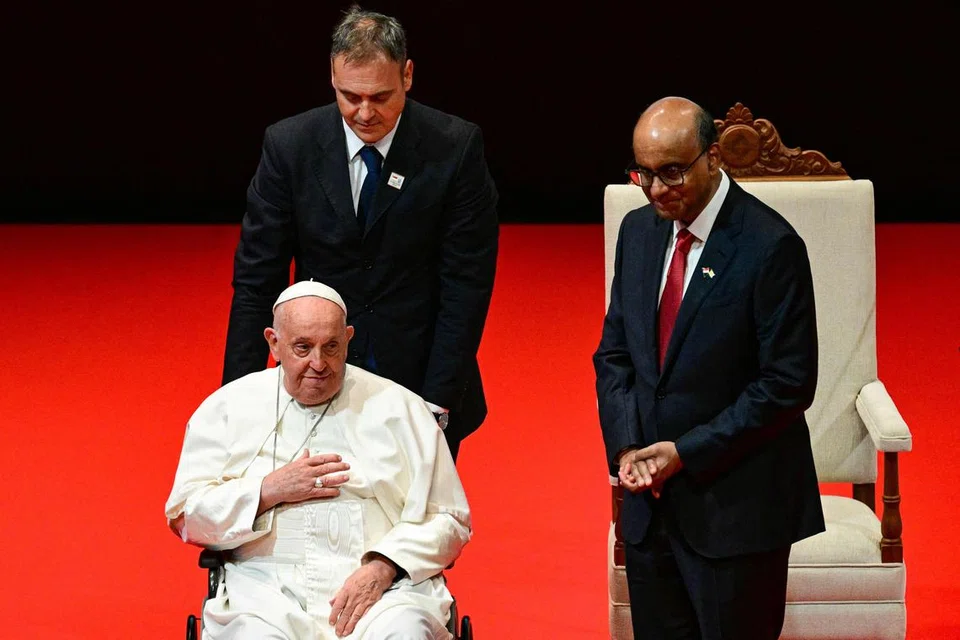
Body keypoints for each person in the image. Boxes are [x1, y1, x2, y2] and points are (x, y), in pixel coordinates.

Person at [221, 5, 498, 462]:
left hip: (419, 377)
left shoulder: (455, 148)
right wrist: (236, 398)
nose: (365, 113)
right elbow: (257, 281)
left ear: (407, 75)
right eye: (350, 96)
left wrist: (437, 402)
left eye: (381, 97)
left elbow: (466, 286)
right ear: (332, 77)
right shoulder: (290, 146)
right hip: (314, 372)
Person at [593, 97, 825, 640]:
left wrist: (686, 453)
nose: (655, 190)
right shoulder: (638, 231)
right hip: (652, 511)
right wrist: (627, 447)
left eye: (671, 172)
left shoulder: (771, 247)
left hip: (737, 514)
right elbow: (615, 355)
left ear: (713, 157)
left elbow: (787, 384)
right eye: (642, 174)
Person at [166, 280, 471, 639]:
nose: (318, 364)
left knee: (404, 632)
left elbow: (450, 519)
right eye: (302, 347)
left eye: (331, 347)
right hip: (265, 594)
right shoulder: (227, 408)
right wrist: (267, 491)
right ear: (273, 343)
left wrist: (385, 566)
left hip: (383, 594)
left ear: (348, 339)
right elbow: (187, 516)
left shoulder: (402, 409)